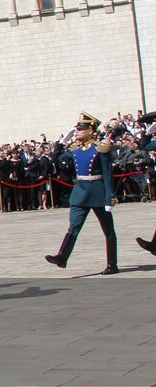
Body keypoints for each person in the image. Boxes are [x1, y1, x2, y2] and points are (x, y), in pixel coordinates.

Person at [46, 112, 118, 274]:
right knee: (74, 226)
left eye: (81, 129)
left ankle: (112, 264)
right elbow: (55, 159)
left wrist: (110, 196)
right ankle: (62, 257)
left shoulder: (100, 149)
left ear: (91, 131)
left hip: (98, 192)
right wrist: (61, 143)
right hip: (80, 192)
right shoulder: (75, 149)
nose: (77, 131)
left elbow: (107, 174)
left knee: (108, 230)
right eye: (77, 129)